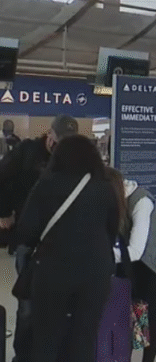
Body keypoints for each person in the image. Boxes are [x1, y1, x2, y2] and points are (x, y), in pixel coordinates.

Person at [15, 135, 120, 362]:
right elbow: (113, 230)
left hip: (53, 271)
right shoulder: (104, 188)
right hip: (96, 272)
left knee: (46, 338)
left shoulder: (46, 184)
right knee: (85, 338)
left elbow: (25, 230)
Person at [0, 115, 79, 361]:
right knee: (27, 305)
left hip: (59, 242)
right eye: (59, 141)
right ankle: (22, 356)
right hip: (28, 240)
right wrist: (4, 213)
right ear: (50, 135)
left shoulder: (71, 159)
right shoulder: (27, 152)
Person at [106, 167, 156, 362]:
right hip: (135, 254)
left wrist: (101, 255)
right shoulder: (114, 202)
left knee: (149, 305)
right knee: (132, 302)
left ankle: (149, 358)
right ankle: (127, 352)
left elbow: (136, 251)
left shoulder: (141, 203)